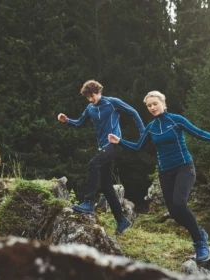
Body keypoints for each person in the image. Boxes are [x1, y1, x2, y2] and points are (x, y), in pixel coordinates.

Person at [108, 90, 210, 262]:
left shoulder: (176, 120)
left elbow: (198, 132)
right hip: (165, 172)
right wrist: (119, 141)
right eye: (149, 105)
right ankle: (199, 231)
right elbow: (138, 148)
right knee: (174, 212)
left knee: (179, 203)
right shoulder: (151, 128)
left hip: (184, 167)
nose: (152, 107)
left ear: (164, 103)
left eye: (155, 103)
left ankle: (200, 243)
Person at [57, 80, 145, 234]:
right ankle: (122, 220)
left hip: (115, 144)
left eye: (92, 96)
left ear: (99, 91)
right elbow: (79, 123)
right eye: (88, 97)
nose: (90, 99)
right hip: (102, 147)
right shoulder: (90, 108)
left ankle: (88, 203)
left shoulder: (112, 102)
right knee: (106, 187)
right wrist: (67, 121)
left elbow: (133, 112)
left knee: (93, 164)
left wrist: (143, 131)